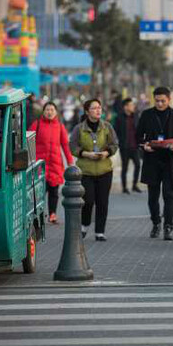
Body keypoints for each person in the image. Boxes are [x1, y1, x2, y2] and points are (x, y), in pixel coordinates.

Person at [137, 87, 173, 241]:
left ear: (169, 100)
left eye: (162, 101)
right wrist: (144, 146)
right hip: (151, 160)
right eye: (157, 101)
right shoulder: (146, 115)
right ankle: (156, 223)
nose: (159, 103)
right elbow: (138, 136)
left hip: (170, 161)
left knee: (168, 195)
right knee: (153, 196)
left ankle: (168, 226)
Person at [69, 99, 119, 241]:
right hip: (86, 171)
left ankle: (100, 232)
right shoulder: (79, 128)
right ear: (87, 111)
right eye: (94, 108)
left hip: (105, 170)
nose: (98, 110)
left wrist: (106, 153)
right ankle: (84, 225)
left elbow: (114, 144)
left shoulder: (107, 127)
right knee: (88, 200)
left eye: (99, 108)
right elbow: (72, 146)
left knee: (102, 201)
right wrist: (86, 154)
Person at [29, 102, 74, 224]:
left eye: (52, 110)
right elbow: (29, 142)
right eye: (47, 109)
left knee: (54, 191)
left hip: (55, 164)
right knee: (39, 192)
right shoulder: (36, 124)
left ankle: (53, 214)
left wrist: (70, 160)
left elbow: (65, 144)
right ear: (43, 112)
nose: (49, 112)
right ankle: (38, 215)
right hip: (40, 165)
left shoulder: (59, 126)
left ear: (56, 112)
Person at [115, 97, 141, 195]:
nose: (133, 106)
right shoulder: (119, 117)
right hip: (124, 147)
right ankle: (124, 187)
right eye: (131, 105)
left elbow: (139, 129)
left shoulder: (136, 116)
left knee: (138, 165)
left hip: (135, 146)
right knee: (125, 168)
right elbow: (115, 131)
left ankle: (134, 185)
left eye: (133, 105)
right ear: (125, 107)